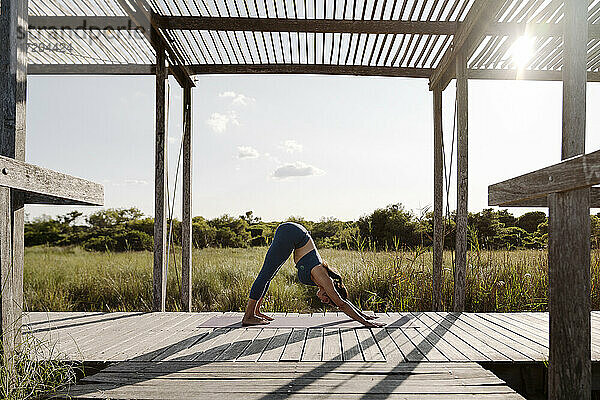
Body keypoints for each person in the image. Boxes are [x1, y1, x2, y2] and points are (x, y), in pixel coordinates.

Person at [242, 222, 385, 327]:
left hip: (294, 233)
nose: (324, 301)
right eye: (328, 300)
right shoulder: (325, 280)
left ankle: (256, 312)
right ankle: (249, 316)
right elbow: (341, 304)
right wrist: (365, 322)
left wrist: (363, 314)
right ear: (329, 292)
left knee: (268, 276)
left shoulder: (321, 281)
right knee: (265, 275)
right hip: (292, 233)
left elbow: (343, 301)